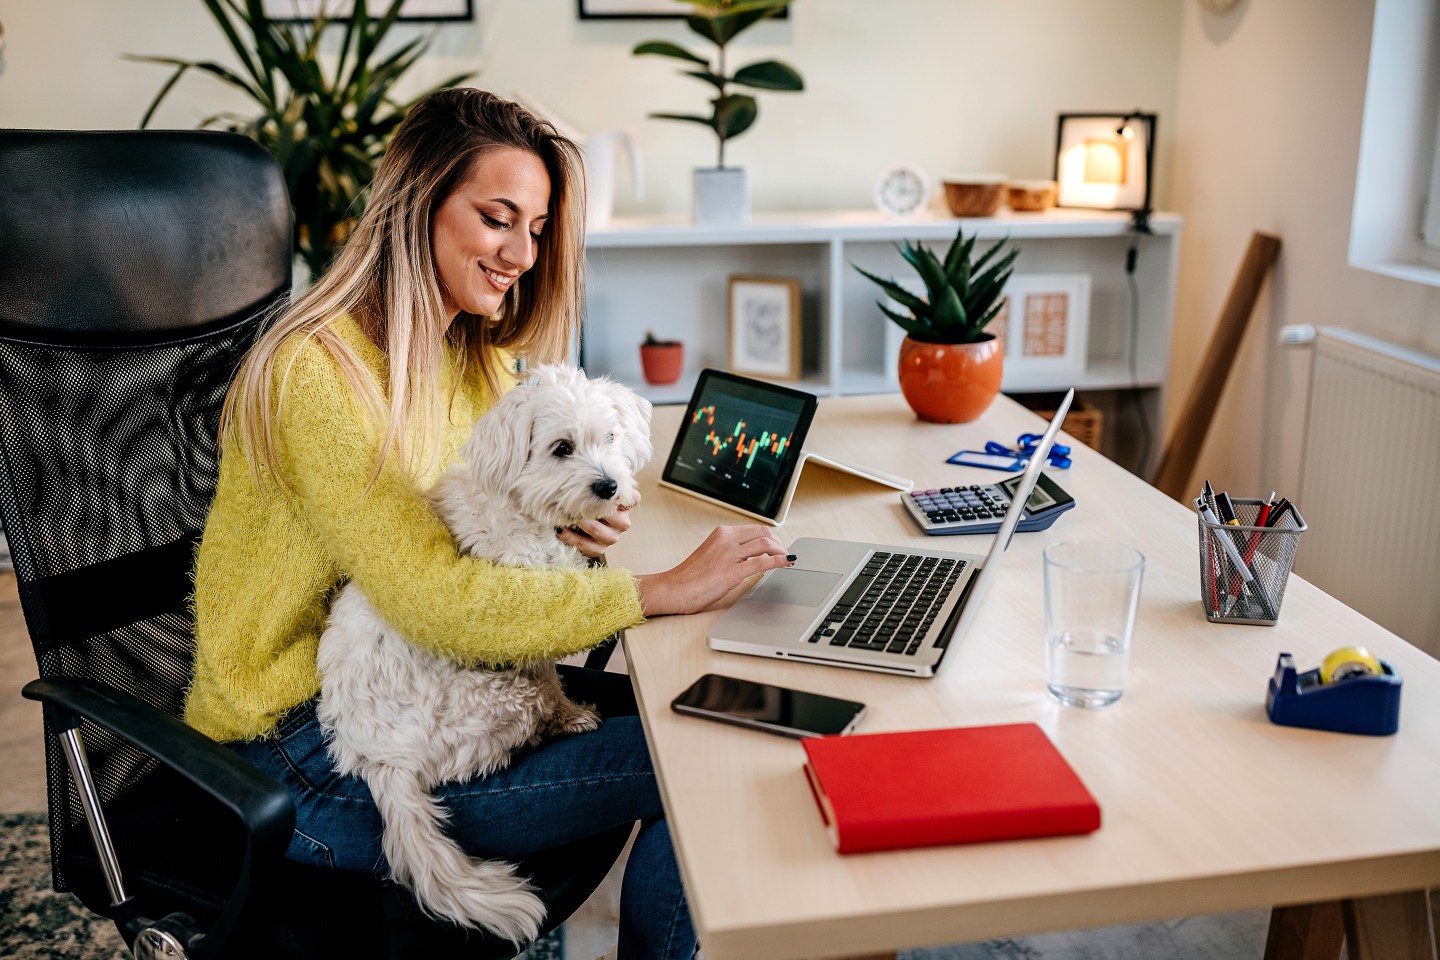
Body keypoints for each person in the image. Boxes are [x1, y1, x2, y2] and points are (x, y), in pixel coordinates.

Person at [186, 87, 793, 960]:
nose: (521, 254)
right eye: (497, 218)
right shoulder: (318, 374)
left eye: (537, 229)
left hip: (414, 695)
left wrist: (571, 535)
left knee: (704, 713)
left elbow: (488, 530)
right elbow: (433, 598)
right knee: (698, 762)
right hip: (306, 759)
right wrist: (657, 590)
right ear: (417, 205)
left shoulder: (469, 356)